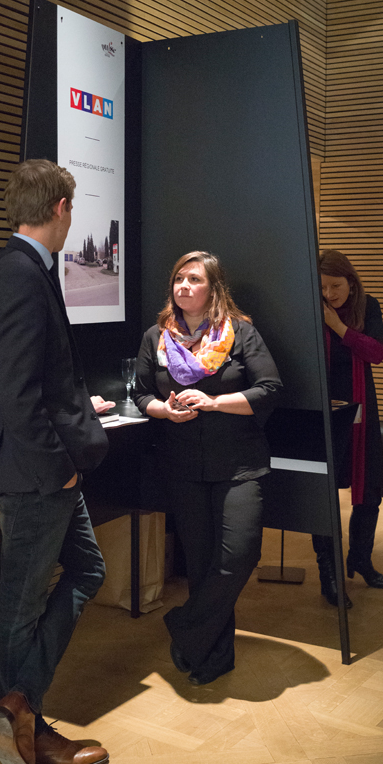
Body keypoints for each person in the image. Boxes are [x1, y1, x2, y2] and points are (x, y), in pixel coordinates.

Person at [0, 159, 115, 764]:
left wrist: (79, 410)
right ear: (61, 208)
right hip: (38, 474)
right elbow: (15, 392)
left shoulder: (25, 268)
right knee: (21, 604)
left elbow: (39, 378)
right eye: (73, 208)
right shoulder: (19, 273)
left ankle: (15, 707)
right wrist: (57, 467)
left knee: (85, 571)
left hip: (42, 466)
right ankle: (23, 724)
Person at [134, 251, 282, 686]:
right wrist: (164, 410)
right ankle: (212, 658)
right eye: (178, 278)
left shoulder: (241, 333)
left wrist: (214, 402)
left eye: (194, 279)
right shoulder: (156, 337)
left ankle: (184, 624)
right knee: (199, 565)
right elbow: (141, 394)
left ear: (213, 288)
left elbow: (270, 388)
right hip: (182, 465)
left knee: (240, 554)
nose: (183, 286)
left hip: (239, 463)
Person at [313, 249, 383, 608]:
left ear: (351, 282)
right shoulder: (310, 305)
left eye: (336, 286)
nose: (329, 294)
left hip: (361, 406)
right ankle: (328, 574)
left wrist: (338, 327)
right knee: (324, 494)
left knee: (370, 490)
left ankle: (361, 559)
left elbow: (376, 353)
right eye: (322, 287)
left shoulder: (367, 306)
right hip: (323, 409)